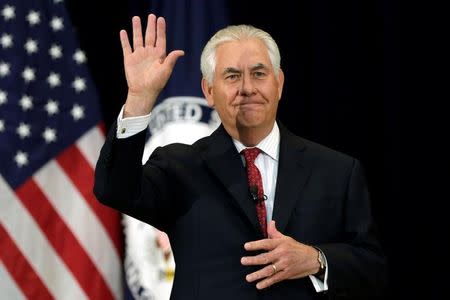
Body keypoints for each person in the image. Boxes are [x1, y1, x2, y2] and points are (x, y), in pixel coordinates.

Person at [94, 13, 387, 299]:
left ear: (279, 83)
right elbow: (114, 190)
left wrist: (316, 259)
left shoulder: (336, 171)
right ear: (209, 91)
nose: (247, 88)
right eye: (232, 76)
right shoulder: (180, 167)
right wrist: (140, 98)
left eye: (259, 74)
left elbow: (373, 268)